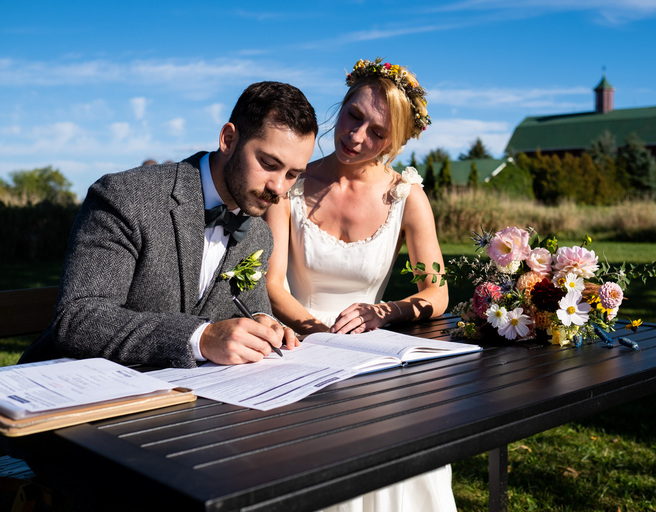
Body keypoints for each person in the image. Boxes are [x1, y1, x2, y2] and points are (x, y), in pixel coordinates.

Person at [19, 81, 317, 369]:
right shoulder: (125, 196)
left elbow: (250, 309)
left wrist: (265, 324)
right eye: (268, 163)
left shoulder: (258, 231)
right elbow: (79, 319)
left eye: (293, 174)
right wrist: (200, 338)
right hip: (68, 393)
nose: (279, 187)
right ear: (228, 139)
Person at [265, 59, 454, 512]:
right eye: (353, 116)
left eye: (377, 132)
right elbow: (272, 284)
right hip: (296, 346)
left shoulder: (406, 195)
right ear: (342, 104)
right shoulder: (292, 182)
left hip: (372, 352)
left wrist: (384, 312)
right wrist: (315, 330)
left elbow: (438, 292)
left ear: (397, 141)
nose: (356, 136)